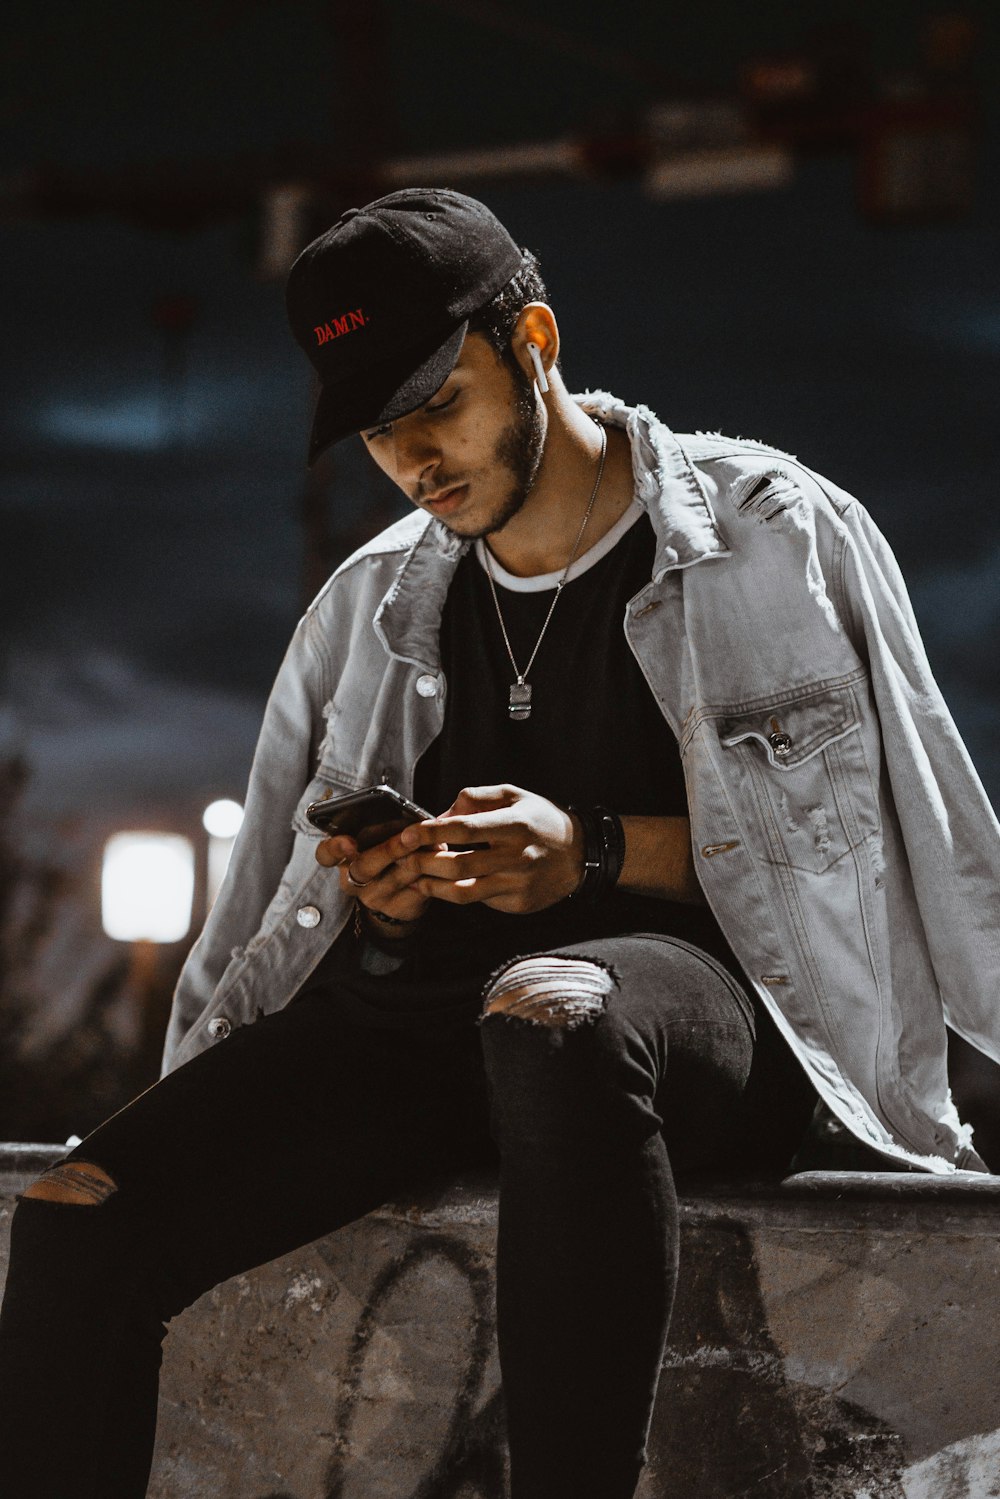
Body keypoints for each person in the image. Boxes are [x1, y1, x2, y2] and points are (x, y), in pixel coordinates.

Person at [1, 186, 997, 1499]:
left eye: (436, 403)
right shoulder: (368, 607)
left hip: (694, 1026)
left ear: (533, 339)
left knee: (552, 1012)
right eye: (377, 429)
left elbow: (905, 837)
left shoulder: (771, 534)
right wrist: (393, 902)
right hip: (424, 1030)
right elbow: (261, 925)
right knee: (77, 1218)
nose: (415, 456)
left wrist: (585, 854)